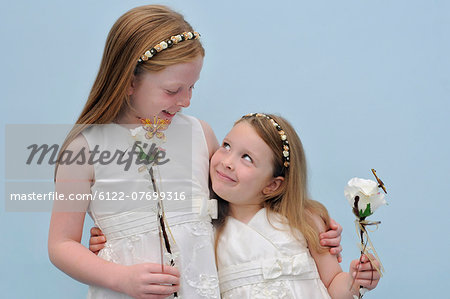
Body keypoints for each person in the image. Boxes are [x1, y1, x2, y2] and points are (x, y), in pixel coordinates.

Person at [48, 4, 343, 299]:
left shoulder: (199, 134)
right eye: (173, 90)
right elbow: (61, 245)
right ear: (129, 81)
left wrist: (308, 228)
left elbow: (241, 199)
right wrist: (120, 275)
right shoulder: (84, 149)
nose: (186, 101)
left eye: (192, 88)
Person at [210, 113, 381, 298]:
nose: (227, 163)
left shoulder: (303, 219)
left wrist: (354, 282)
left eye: (247, 158)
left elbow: (333, 282)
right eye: (226, 146)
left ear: (272, 185)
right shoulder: (208, 231)